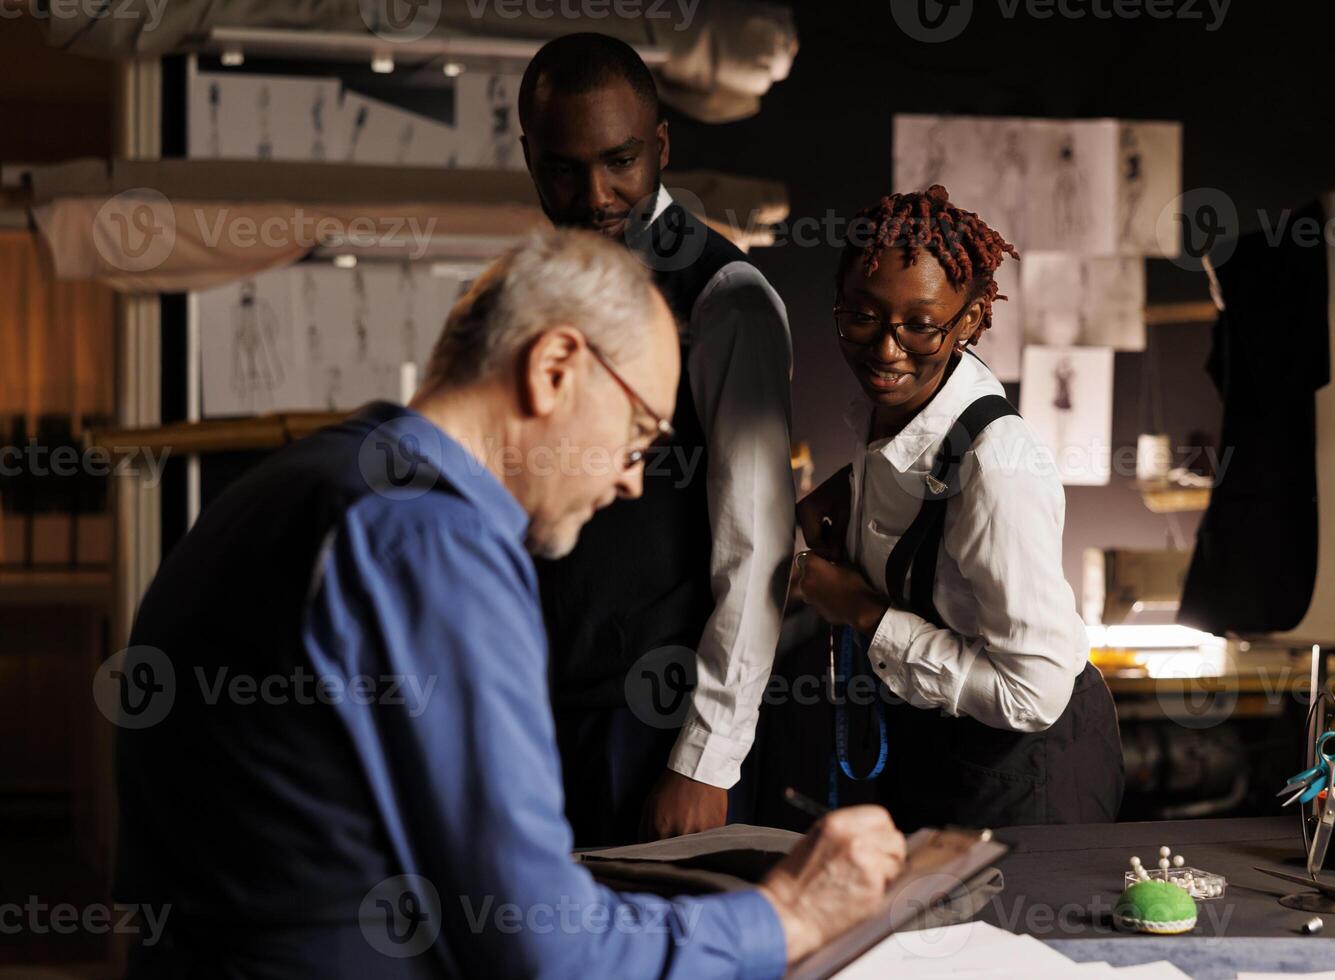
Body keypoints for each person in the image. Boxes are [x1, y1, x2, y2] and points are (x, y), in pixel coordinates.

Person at [110, 231, 905, 977]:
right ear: (555, 365)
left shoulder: (293, 486)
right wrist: (786, 916)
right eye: (638, 433)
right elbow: (540, 949)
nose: (633, 479)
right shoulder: (428, 543)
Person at [518, 34, 795, 844]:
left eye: (621, 161)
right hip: (542, 719)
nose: (596, 194)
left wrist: (702, 762)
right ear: (530, 156)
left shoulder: (728, 300)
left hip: (657, 734)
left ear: (662, 147)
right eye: (564, 168)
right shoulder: (535, 291)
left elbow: (759, 550)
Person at [793, 185, 1125, 830]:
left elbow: (1031, 695)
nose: (886, 350)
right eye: (861, 317)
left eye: (920, 325)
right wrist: (852, 493)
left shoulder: (996, 467)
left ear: (969, 321)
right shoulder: (896, 420)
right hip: (943, 751)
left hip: (1032, 767)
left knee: (1018, 932)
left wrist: (862, 613)